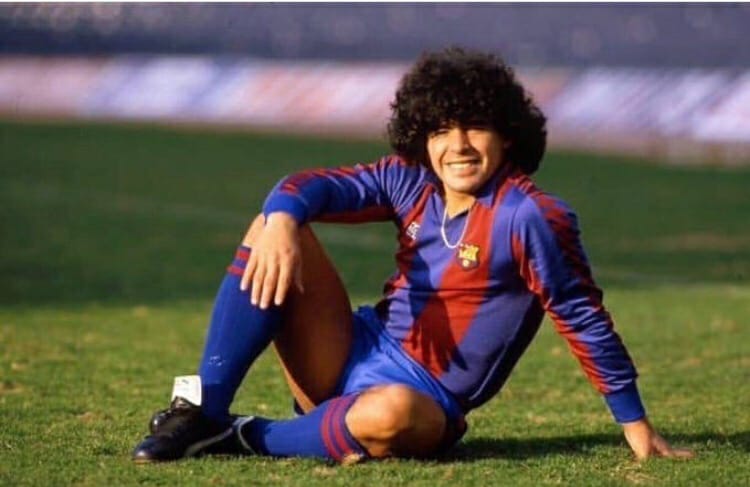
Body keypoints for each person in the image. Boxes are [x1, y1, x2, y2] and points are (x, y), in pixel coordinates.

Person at [132, 47, 692, 464]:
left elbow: (581, 315)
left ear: (508, 135)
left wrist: (635, 424)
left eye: (475, 127)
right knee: (274, 226)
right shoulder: (409, 180)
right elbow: (308, 186)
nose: (458, 145)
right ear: (422, 136)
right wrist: (281, 217)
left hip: (423, 402)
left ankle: (241, 434)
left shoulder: (530, 215)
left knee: (390, 412)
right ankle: (202, 409)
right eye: (441, 130)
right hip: (347, 352)